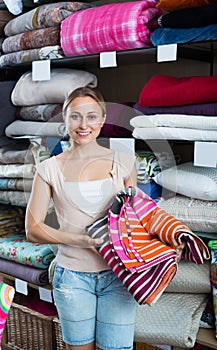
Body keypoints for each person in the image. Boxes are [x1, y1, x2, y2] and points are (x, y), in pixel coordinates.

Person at [25, 86, 138, 350]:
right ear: (64, 120)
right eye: (75, 116)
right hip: (73, 277)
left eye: (91, 116)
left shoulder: (124, 162)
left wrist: (166, 242)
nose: (83, 124)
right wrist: (79, 239)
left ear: (102, 118)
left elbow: (137, 219)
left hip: (119, 275)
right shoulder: (48, 169)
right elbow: (33, 228)